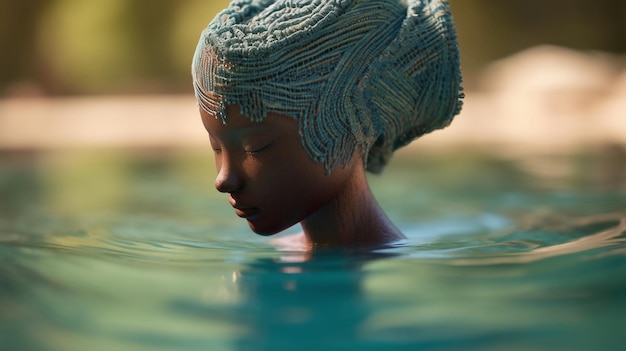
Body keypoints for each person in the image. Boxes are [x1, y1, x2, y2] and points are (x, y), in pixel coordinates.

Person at [191, 0, 463, 249]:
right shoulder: (286, 249)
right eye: (216, 146)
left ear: (348, 119)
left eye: (255, 148)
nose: (223, 180)